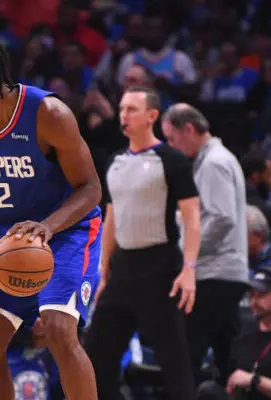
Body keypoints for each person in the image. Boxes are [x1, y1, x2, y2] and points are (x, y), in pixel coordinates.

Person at [0, 34, 103, 400]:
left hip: (67, 234)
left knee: (60, 329)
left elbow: (91, 188)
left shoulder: (49, 114)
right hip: (7, 242)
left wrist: (47, 227)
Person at [84, 87, 201, 399]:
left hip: (160, 268)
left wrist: (189, 269)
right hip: (122, 269)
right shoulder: (115, 162)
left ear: (152, 116)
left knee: (174, 362)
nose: (124, 115)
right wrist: (103, 269)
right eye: (121, 108)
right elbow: (111, 218)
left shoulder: (172, 160)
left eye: (132, 109)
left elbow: (192, 217)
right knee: (95, 359)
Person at [161, 103, 249, 383]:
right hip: (224, 273)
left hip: (214, 274)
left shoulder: (214, 163)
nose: (170, 146)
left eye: (172, 139)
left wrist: (188, 253)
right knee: (229, 361)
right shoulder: (212, 161)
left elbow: (222, 219)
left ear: (189, 129)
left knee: (185, 355)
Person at [196, 268, 271, 400]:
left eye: (261, 294)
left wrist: (255, 381)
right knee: (208, 389)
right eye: (252, 295)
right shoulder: (241, 338)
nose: (254, 300)